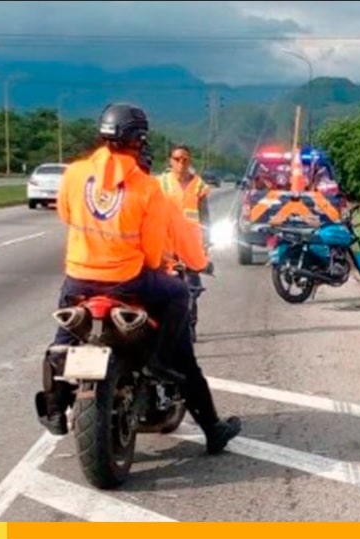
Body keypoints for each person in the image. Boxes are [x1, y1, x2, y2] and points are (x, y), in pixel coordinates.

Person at [34, 102, 241, 454]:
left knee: (62, 338)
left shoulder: (74, 174)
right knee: (178, 296)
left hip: (79, 279)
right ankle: (198, 410)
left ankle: (54, 408)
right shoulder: (147, 188)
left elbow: (67, 216)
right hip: (126, 281)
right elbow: (152, 249)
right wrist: (190, 261)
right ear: (139, 140)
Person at [157, 145, 211, 295]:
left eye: (185, 159)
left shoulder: (198, 185)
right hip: (166, 241)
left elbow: (205, 215)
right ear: (170, 161)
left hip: (190, 242)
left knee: (192, 284)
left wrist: (206, 241)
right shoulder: (160, 183)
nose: (181, 163)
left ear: (189, 161)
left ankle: (190, 312)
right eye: (177, 159)